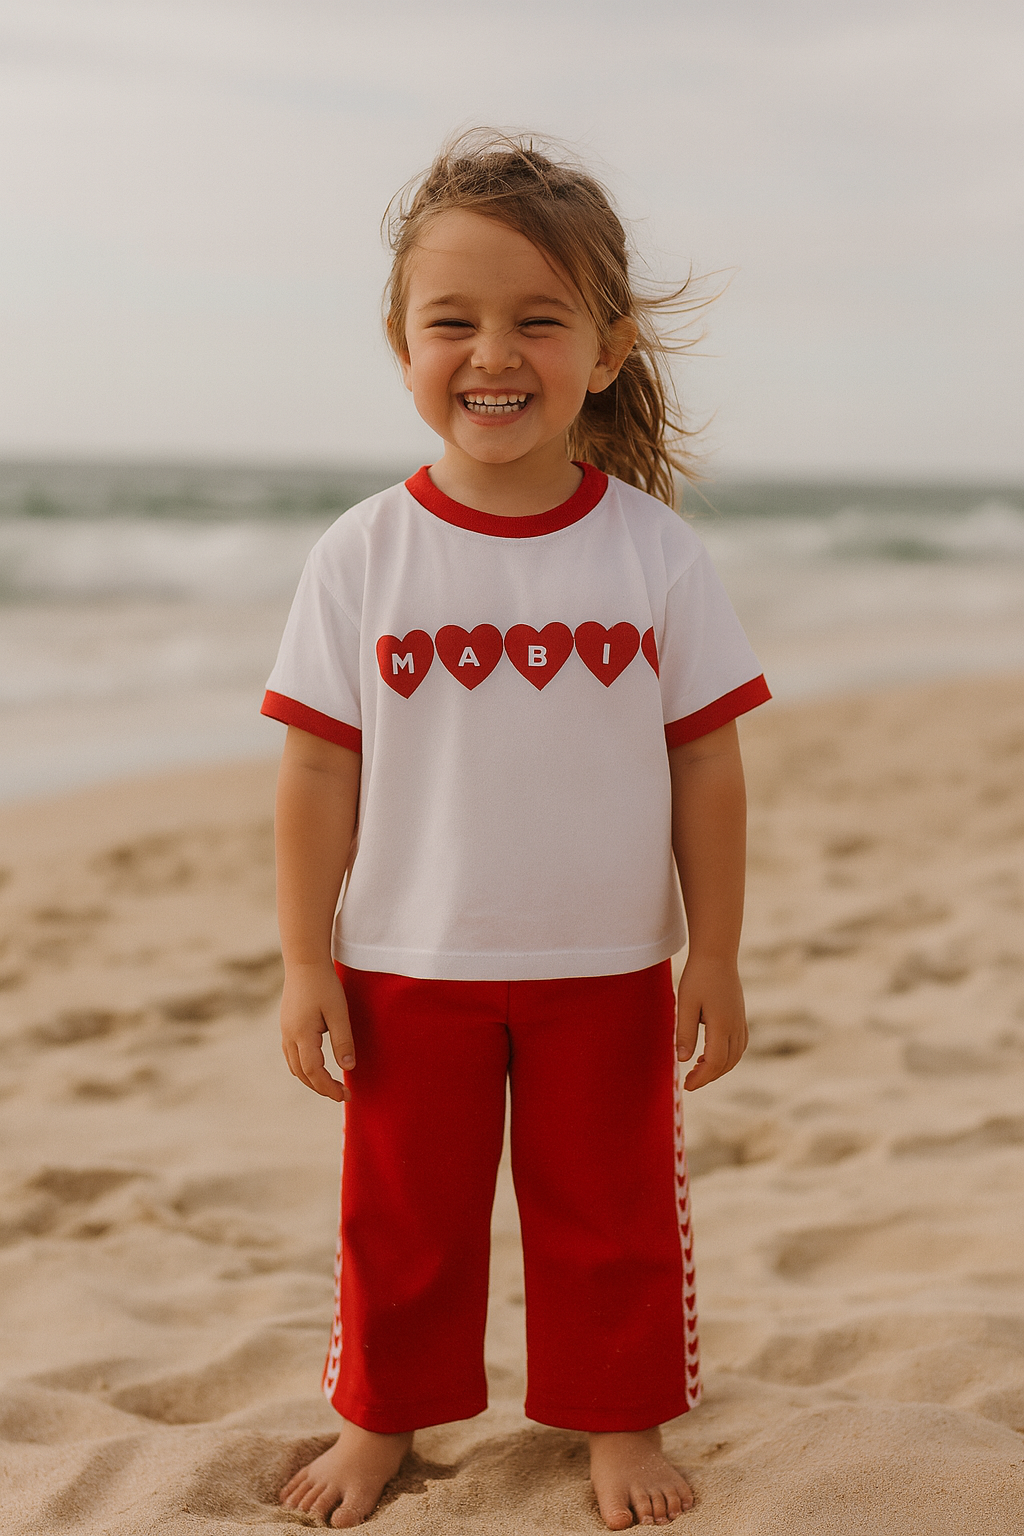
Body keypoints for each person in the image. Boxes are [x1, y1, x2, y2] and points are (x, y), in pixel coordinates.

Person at [261, 131, 770, 1530]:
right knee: (403, 1219)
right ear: (401, 342)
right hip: (403, 959)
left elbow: (708, 762)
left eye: (540, 319)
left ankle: (621, 1420)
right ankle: (382, 1419)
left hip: (604, 962)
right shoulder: (363, 552)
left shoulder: (652, 552)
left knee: (608, 1219)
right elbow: (314, 772)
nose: (496, 352)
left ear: (604, 350)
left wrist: (713, 951)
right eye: (456, 321)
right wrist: (307, 961)